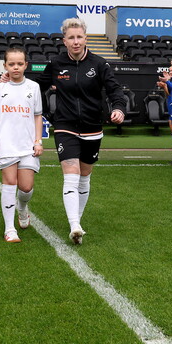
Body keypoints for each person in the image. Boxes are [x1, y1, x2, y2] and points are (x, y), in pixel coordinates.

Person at [34, 18, 125, 243]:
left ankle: (78, 220)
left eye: (80, 37)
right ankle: (74, 225)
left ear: (86, 38)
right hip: (65, 126)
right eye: (71, 38)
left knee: (84, 176)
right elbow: (36, 86)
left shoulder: (99, 64)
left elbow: (115, 91)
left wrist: (119, 109)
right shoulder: (55, 64)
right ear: (64, 41)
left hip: (93, 127)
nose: (76, 42)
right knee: (71, 173)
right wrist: (12, 81)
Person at [0, 47, 43, 243]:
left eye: (20, 64)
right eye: (11, 64)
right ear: (5, 66)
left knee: (26, 187)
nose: (16, 67)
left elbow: (37, 116)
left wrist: (38, 141)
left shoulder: (33, 87)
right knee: (10, 184)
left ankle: (22, 207)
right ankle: (10, 229)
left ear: (26, 65)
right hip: (6, 143)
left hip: (27, 145)